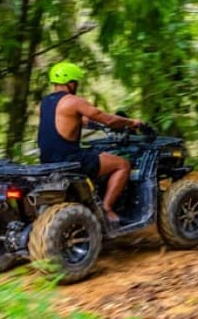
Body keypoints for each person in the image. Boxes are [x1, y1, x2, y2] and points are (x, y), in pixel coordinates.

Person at [38, 61, 144, 225]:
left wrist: (91, 123)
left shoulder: (44, 103)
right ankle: (107, 209)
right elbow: (107, 119)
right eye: (76, 82)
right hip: (71, 159)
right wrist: (131, 122)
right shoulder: (73, 101)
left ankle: (93, 200)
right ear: (70, 82)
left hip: (47, 160)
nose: (77, 85)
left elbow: (72, 121)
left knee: (95, 155)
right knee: (122, 164)